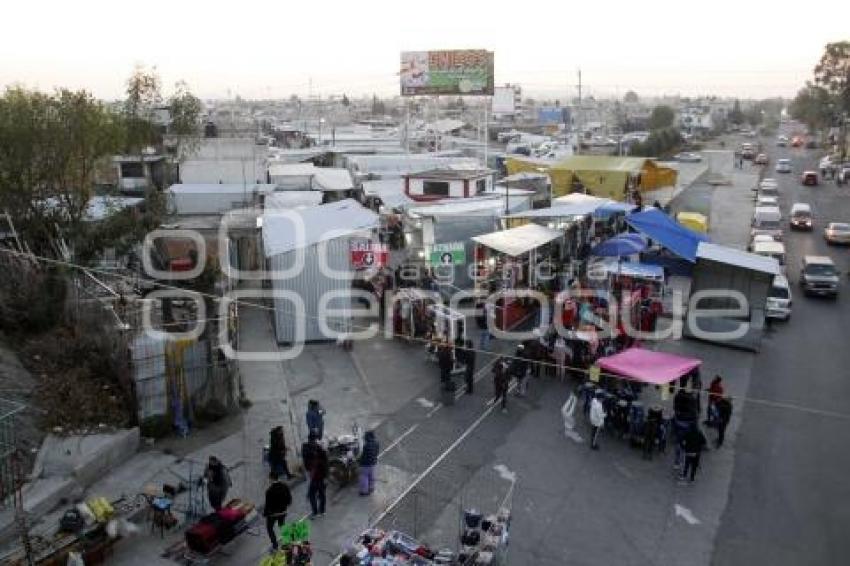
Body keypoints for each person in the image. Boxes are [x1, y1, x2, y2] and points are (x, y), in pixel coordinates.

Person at [264, 471, 292, 551]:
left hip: (273, 514)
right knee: (282, 525)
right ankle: (287, 542)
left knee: (269, 528)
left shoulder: (269, 491)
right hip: (283, 512)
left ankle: (275, 545)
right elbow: (289, 499)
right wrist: (285, 507)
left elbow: (268, 505)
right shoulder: (285, 486)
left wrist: (266, 514)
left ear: (271, 478)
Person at [301, 434, 328, 517]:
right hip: (319, 476)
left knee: (313, 494)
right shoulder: (319, 448)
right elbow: (326, 462)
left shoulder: (306, 448)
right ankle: (322, 511)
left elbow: (305, 460)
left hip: (314, 475)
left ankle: (315, 512)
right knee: (321, 494)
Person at [358, 430, 379, 496]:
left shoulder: (366, 446)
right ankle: (371, 488)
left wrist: (359, 460)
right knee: (371, 476)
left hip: (365, 464)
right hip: (373, 462)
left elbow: (363, 455)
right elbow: (376, 452)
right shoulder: (376, 443)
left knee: (364, 477)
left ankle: (364, 491)